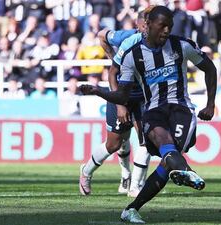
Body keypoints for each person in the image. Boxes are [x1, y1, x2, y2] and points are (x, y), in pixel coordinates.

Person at [80, 5, 217, 223]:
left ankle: (134, 206)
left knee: (168, 159)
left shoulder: (182, 46)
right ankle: (181, 172)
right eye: (162, 26)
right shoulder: (132, 52)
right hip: (152, 110)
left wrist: (211, 104)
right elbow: (122, 93)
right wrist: (99, 91)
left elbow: (210, 68)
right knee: (156, 147)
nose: (166, 31)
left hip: (181, 109)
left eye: (169, 27)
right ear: (148, 25)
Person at [79, 9, 152, 197]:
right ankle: (86, 172)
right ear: (138, 25)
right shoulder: (125, 38)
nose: (148, 29)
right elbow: (102, 35)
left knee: (147, 140)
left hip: (143, 98)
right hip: (121, 96)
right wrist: (112, 56)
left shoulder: (159, 42)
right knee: (114, 144)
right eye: (145, 25)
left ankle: (135, 186)